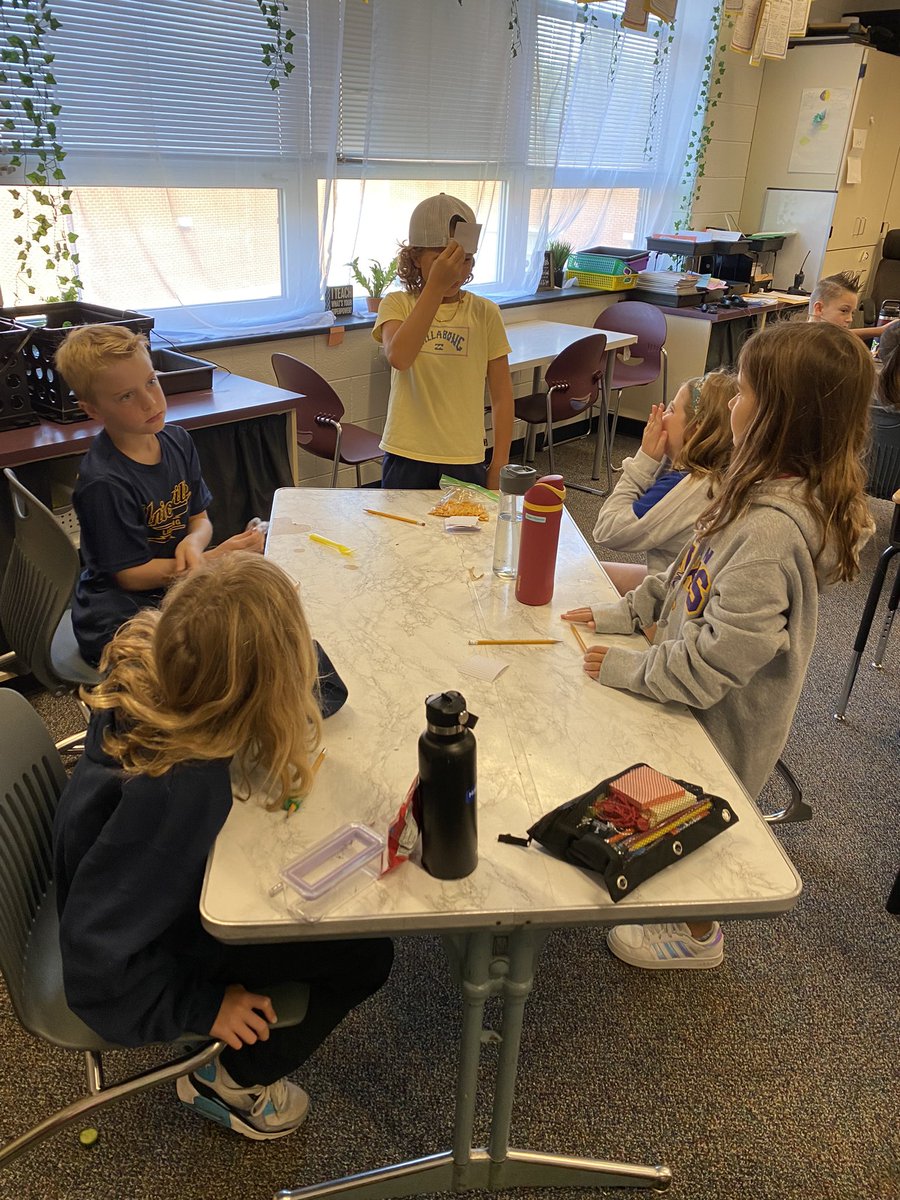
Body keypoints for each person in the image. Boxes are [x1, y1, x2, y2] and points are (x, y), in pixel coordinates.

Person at [563, 321, 874, 970]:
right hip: (686, 695)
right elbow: (676, 578)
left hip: (724, 726)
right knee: (664, 797)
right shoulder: (743, 487)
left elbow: (710, 668)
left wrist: (626, 666)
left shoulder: (770, 532)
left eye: (746, 392)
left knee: (702, 825)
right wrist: (616, 616)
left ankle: (699, 933)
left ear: (778, 416)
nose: (732, 401)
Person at [53, 553, 393, 1140]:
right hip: (137, 958)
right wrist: (201, 1006)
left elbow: (322, 686)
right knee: (365, 954)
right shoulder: (176, 790)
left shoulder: (166, 663)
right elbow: (92, 964)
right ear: (250, 694)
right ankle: (228, 1081)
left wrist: (272, 647)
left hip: (134, 897)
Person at [55, 324, 265, 667]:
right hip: (117, 618)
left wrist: (195, 544)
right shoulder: (103, 482)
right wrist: (214, 560)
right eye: (126, 396)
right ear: (92, 409)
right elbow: (131, 575)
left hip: (174, 590)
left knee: (254, 630)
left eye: (151, 382)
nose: (150, 401)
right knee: (220, 663)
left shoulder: (178, 441)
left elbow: (200, 518)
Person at [373, 193, 513, 489]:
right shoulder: (397, 304)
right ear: (414, 259)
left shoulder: (485, 312)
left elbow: (502, 396)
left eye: (464, 260)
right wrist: (435, 287)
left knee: (464, 536)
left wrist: (499, 462)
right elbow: (399, 357)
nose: (455, 271)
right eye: (441, 261)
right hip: (406, 454)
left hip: (464, 457)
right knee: (400, 535)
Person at [591, 370, 737, 596]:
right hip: (683, 581)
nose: (660, 415)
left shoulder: (683, 486)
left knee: (578, 577)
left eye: (670, 409)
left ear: (695, 429)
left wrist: (644, 461)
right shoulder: (722, 474)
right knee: (589, 570)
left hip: (673, 606)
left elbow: (607, 530)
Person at [807, 270, 893, 339]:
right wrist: (880, 331)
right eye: (844, 310)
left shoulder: (833, 338)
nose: (850, 319)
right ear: (819, 308)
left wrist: (882, 330)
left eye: (852, 313)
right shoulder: (806, 342)